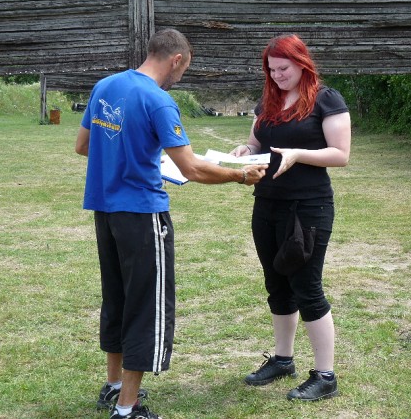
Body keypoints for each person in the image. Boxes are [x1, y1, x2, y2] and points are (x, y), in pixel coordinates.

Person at [75, 28, 267, 419]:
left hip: (106, 212)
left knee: (118, 299)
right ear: (176, 59)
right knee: (146, 307)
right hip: (143, 216)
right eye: (184, 69)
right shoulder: (159, 101)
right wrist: (241, 176)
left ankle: (113, 387)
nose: (180, 76)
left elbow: (83, 145)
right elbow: (192, 168)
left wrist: (132, 156)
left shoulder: (105, 86)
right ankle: (127, 409)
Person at [231, 34, 351, 401]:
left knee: (306, 287)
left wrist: (298, 154)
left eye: (283, 68)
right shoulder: (268, 101)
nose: (277, 75)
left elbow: (340, 154)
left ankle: (325, 376)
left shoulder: (326, 99)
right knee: (277, 285)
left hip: (308, 208)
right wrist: (244, 149)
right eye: (271, 70)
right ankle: (283, 360)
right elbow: (256, 143)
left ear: (301, 63)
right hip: (267, 203)